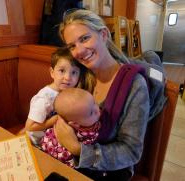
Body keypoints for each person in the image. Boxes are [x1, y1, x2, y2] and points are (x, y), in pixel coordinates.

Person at [53, 9, 156, 181]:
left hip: (109, 172)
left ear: (103, 34)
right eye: (72, 46)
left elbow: (130, 152)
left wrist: (76, 148)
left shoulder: (134, 85)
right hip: (69, 162)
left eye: (84, 38)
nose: (78, 51)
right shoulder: (80, 75)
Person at [18, 47, 96, 145]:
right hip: (36, 142)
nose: (67, 78)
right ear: (52, 72)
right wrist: (55, 119)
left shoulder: (70, 93)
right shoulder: (44, 98)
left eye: (74, 72)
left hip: (53, 138)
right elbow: (30, 126)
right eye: (62, 71)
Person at [40, 88, 101, 168]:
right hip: (60, 156)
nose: (97, 109)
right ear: (75, 124)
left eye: (94, 103)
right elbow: (87, 149)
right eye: (91, 113)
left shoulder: (79, 115)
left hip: (46, 143)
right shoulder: (86, 133)